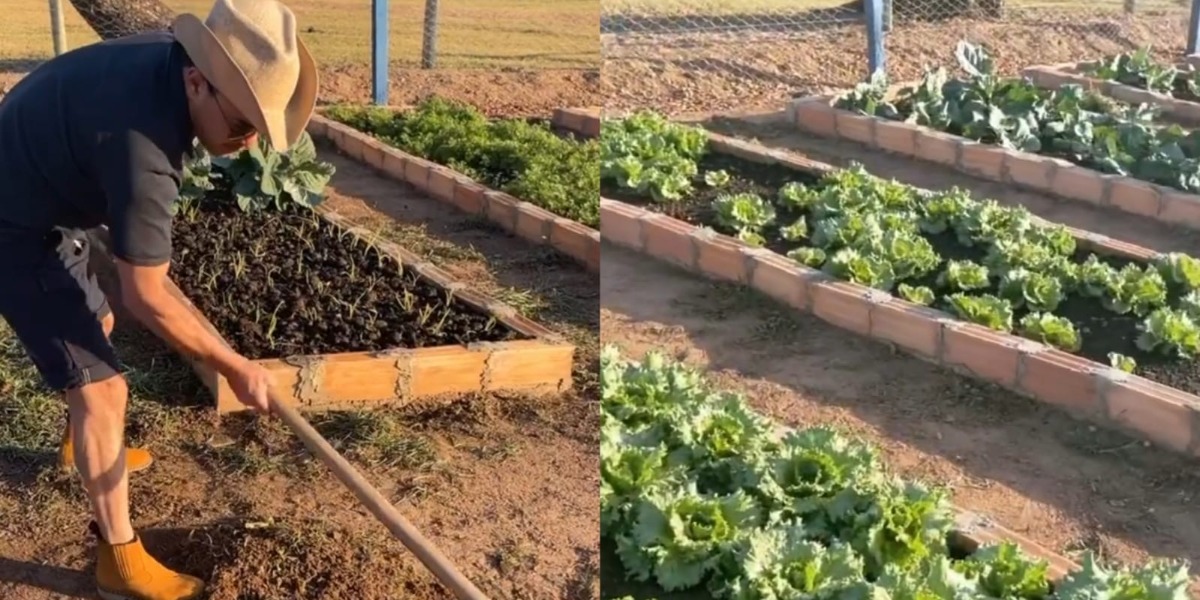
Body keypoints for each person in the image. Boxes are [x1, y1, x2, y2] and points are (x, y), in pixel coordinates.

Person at [0, 0, 318, 597]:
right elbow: (147, 293)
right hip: (11, 224)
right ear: (197, 81)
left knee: (101, 317)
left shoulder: (165, 65)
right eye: (241, 126)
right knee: (103, 387)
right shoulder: (144, 146)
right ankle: (118, 561)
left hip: (43, 185)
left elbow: (136, 283)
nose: (247, 144)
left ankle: (84, 445)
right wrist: (233, 365)